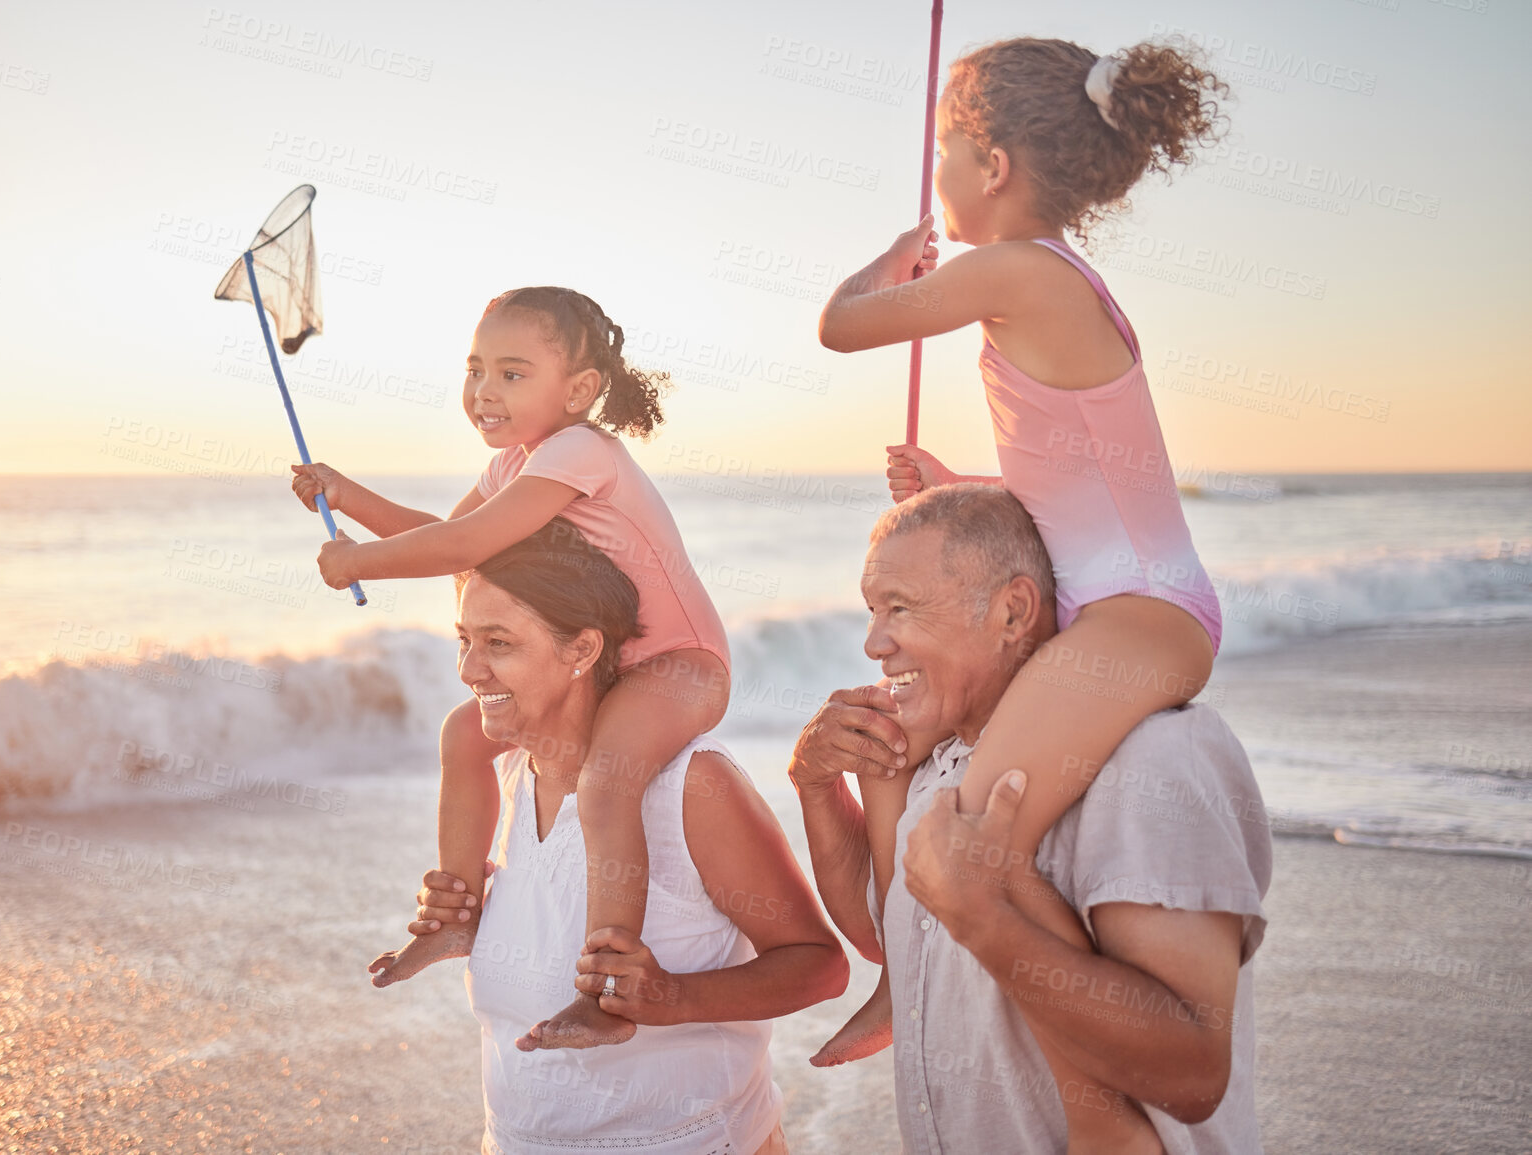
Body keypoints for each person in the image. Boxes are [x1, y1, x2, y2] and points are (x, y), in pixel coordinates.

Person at [814, 34, 1231, 1150]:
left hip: (1138, 620)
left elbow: (842, 327)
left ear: (991, 166)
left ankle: (1102, 1121)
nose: (939, 179)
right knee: (964, 846)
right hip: (1131, 603)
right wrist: (964, 485)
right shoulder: (1054, 282)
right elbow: (1084, 482)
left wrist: (890, 262)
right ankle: (929, 982)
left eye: (945, 151)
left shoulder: (1014, 269)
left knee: (962, 846)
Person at [294, 287, 730, 1049]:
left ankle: (605, 986)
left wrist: (359, 562)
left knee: (607, 777)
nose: (484, 391)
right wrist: (346, 495)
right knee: (466, 735)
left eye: (512, 373)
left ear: (580, 390)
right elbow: (455, 534)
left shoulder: (580, 452)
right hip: (597, 665)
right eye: (475, 370)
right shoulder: (514, 465)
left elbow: (466, 548)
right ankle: (455, 918)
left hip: (676, 663)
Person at [793, 485, 1271, 1153]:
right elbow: (889, 938)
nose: (874, 642)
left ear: (1012, 610)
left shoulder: (1154, 759)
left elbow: (1190, 1071)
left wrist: (987, 919)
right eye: (872, 610)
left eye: (900, 608)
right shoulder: (939, 758)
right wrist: (814, 785)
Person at [392, 519, 847, 1154]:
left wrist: (674, 997)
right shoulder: (506, 774)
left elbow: (820, 965)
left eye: (499, 643)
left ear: (580, 650)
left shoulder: (692, 787)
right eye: (464, 640)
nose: (470, 668)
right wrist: (471, 919)